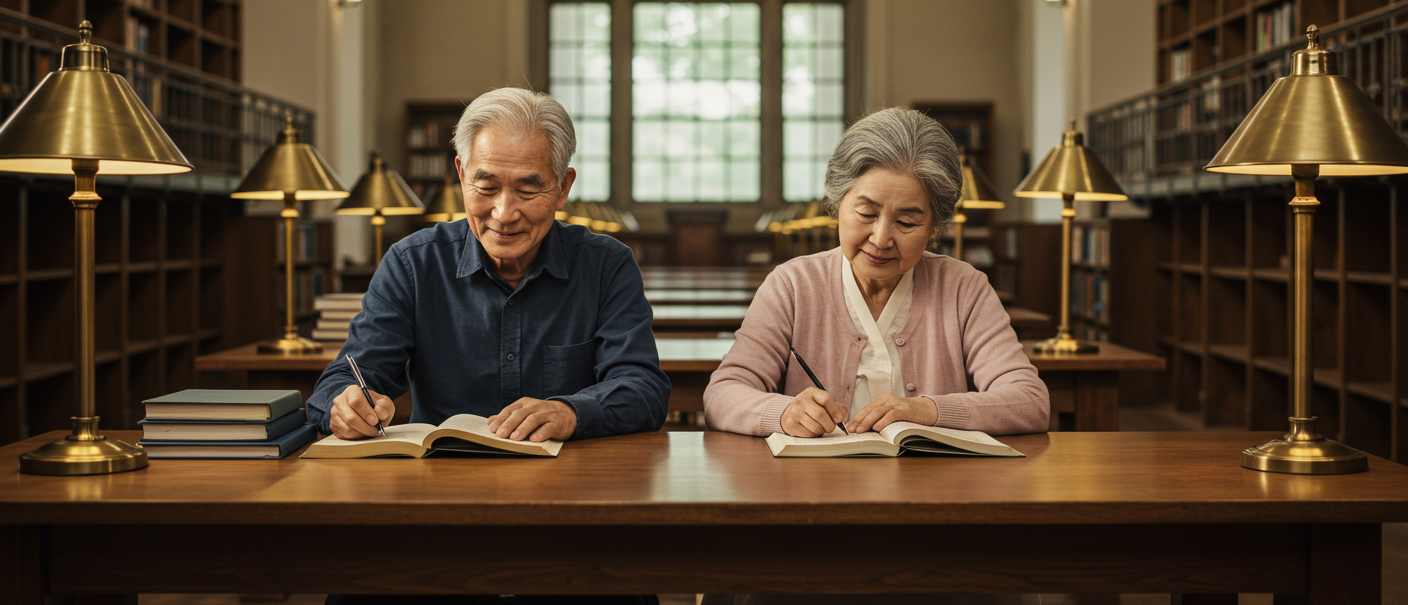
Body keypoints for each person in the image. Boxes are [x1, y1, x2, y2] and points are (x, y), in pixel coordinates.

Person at [308, 87, 669, 605]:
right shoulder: (413, 263)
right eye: (486, 186)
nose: (504, 213)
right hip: (435, 512)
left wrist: (571, 411)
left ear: (563, 187)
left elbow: (645, 388)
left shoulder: (606, 265)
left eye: (528, 188)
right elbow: (339, 383)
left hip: (574, 512)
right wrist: (345, 407)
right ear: (460, 176)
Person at [701, 108, 1047, 605]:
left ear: (935, 226)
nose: (882, 238)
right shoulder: (793, 285)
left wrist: (930, 411)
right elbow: (722, 395)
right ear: (837, 205)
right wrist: (784, 411)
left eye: (908, 220)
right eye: (866, 214)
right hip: (810, 517)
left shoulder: (963, 288)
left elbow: (1029, 399)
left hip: (943, 522)